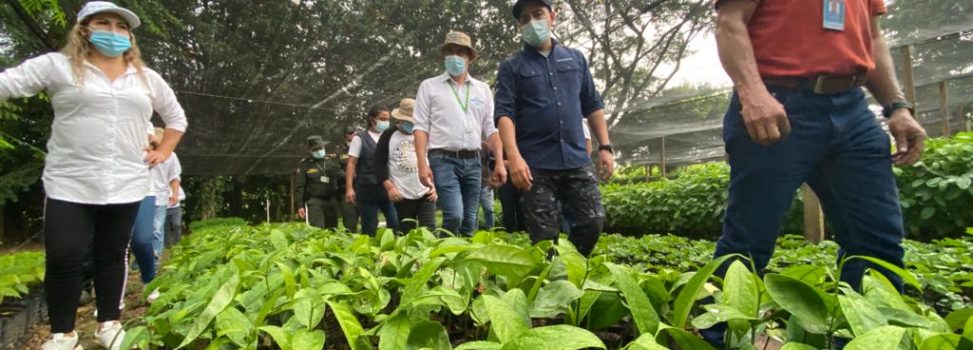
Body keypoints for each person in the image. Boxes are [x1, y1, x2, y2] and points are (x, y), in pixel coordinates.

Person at [704, 0, 927, 346]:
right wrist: (753, 93)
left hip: (853, 108)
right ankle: (718, 338)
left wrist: (897, 106)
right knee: (749, 241)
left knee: (877, 240)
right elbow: (730, 21)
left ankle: (866, 338)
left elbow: (873, 38)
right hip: (778, 102)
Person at [0, 2, 188, 349]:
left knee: (112, 253)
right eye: (104, 23)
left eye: (121, 26)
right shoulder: (58, 67)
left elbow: (177, 119)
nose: (113, 31)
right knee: (64, 254)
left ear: (130, 36)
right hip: (70, 180)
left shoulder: (147, 78)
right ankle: (63, 333)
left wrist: (163, 152)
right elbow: (8, 83)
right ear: (84, 29)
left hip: (127, 182)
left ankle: (108, 324)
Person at [494, 0, 615, 256]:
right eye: (525, 19)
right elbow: (505, 114)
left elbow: (592, 104)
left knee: (592, 222)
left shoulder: (576, 59)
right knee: (544, 238)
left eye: (538, 14)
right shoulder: (512, 67)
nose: (532, 22)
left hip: (576, 159)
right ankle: (551, 283)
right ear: (519, 26)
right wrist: (513, 157)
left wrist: (605, 146)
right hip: (535, 166)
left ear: (552, 17)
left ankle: (573, 268)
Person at [414, 30, 506, 236]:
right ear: (444, 55)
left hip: (474, 160)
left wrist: (499, 161)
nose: (455, 56)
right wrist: (422, 163)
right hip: (442, 159)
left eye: (461, 52)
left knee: (470, 219)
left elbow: (491, 128)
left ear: (470, 58)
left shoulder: (482, 90)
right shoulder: (429, 87)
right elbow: (420, 127)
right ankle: (445, 256)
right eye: (450, 52)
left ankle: (464, 261)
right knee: (455, 214)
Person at [375, 98, 438, 233]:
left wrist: (434, 186)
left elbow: (434, 161)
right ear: (400, 119)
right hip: (402, 194)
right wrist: (390, 188)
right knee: (406, 234)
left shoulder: (424, 133)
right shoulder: (388, 135)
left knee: (429, 231)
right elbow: (378, 164)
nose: (412, 124)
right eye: (408, 121)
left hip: (425, 191)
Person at [346, 106, 399, 235]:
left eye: (387, 119)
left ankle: (393, 251)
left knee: (395, 222)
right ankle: (369, 252)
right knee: (369, 225)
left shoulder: (390, 136)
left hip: (388, 187)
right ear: (372, 119)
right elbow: (351, 163)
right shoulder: (359, 138)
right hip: (367, 188)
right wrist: (349, 188)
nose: (385, 122)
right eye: (382, 119)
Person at [149, 127, 181, 263]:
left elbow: (174, 176)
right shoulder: (144, 153)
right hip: (140, 197)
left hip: (160, 198)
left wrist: (174, 193)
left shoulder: (171, 156)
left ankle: (154, 262)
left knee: (157, 229)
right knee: (139, 233)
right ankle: (142, 256)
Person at [295, 135, 342, 229]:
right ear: (310, 150)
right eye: (315, 149)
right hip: (315, 201)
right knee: (318, 230)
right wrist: (300, 206)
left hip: (331, 200)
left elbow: (342, 176)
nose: (319, 151)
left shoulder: (332, 160)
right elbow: (300, 186)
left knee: (332, 230)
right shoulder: (305, 164)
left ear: (324, 147)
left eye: (320, 148)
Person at [335, 126, 360, 232]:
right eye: (350, 133)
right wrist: (350, 176)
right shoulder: (338, 151)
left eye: (354, 133)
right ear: (345, 135)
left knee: (370, 220)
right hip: (347, 189)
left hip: (364, 188)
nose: (352, 135)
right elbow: (335, 169)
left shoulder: (363, 147)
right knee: (350, 221)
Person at [479, 141, 497, 230]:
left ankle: (491, 232)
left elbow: (493, 163)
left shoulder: (485, 146)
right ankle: (472, 234)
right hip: (471, 185)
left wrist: (493, 178)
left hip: (486, 183)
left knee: (489, 210)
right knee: (472, 212)